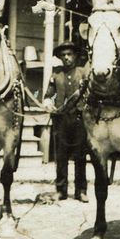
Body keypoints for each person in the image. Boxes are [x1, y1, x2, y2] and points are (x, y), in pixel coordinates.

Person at [42, 41, 90, 202]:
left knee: (80, 156)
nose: (67, 58)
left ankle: (81, 191)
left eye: (70, 54)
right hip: (60, 119)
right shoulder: (56, 74)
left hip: (79, 118)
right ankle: (61, 190)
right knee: (61, 156)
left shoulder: (83, 73)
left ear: (76, 56)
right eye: (63, 55)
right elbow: (48, 94)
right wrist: (48, 102)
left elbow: (90, 95)